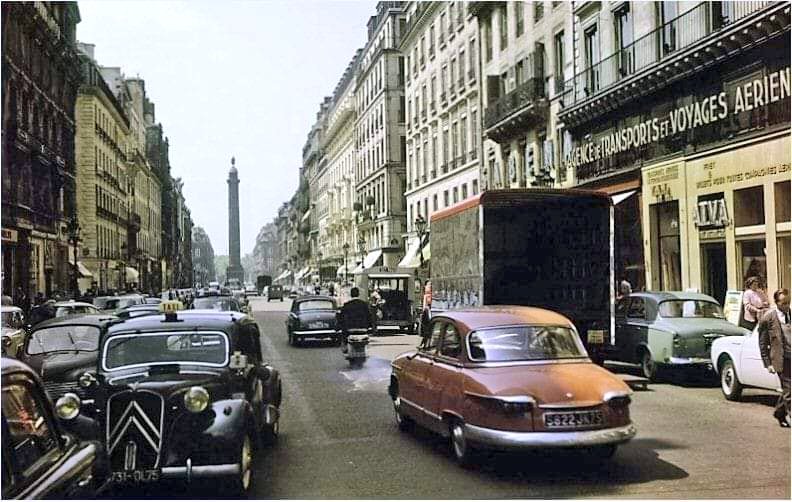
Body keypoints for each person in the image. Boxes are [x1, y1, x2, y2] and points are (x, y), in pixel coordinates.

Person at [758, 289, 790, 428]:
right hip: (781, 359)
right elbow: (763, 343)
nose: (787, 306)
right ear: (776, 303)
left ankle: (779, 412)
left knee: (787, 391)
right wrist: (768, 363)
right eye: (784, 303)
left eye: (788, 302)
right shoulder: (768, 318)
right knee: (790, 389)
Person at [337, 287, 376, 352]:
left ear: (351, 294)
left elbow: (341, 318)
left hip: (349, 329)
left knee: (343, 336)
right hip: (363, 328)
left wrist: (339, 326)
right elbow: (369, 316)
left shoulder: (347, 305)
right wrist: (371, 327)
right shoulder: (364, 304)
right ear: (358, 294)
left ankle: (345, 347)